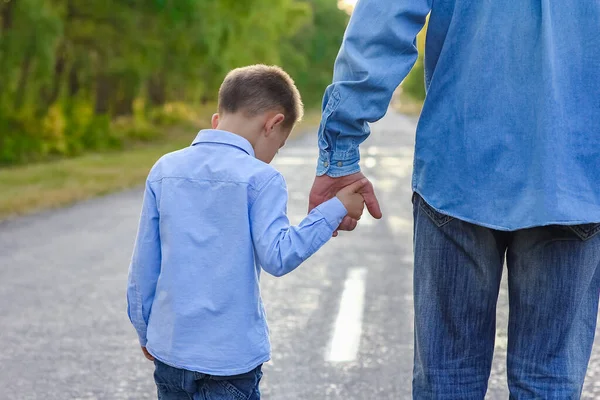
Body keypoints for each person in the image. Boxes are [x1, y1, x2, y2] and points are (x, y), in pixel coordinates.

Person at [308, 1, 600, 398]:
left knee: (448, 381)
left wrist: (340, 146)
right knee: (549, 383)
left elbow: (385, 19)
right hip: (575, 175)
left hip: (460, 167)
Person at [127, 65, 366, 400]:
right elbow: (279, 257)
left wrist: (145, 329)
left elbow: (144, 267)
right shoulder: (260, 179)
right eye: (279, 146)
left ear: (218, 119)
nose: (273, 155)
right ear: (273, 124)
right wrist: (336, 207)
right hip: (229, 361)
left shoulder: (165, 170)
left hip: (170, 352)